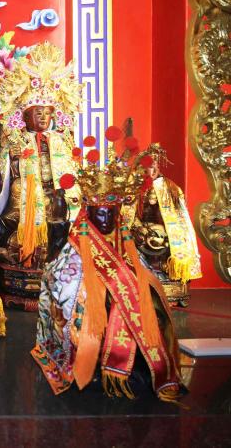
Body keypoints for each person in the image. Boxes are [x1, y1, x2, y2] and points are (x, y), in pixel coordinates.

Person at [31, 134, 183, 403]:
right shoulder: (77, 241)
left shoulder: (123, 237)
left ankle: (142, 362)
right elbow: (62, 276)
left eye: (110, 213)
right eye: (99, 213)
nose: (105, 219)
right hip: (91, 298)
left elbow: (140, 269)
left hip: (123, 300)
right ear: (88, 213)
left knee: (146, 299)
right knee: (87, 303)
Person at [0, 42, 83, 267]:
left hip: (54, 191)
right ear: (25, 117)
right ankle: (24, 246)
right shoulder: (19, 139)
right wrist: (13, 159)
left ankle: (59, 249)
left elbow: (70, 169)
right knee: (18, 190)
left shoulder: (60, 140)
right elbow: (5, 172)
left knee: (61, 207)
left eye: (46, 113)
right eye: (37, 113)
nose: (42, 117)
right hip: (28, 195)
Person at [124, 144, 202, 306]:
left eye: (154, 166)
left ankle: (169, 284)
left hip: (164, 232)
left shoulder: (170, 188)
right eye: (147, 167)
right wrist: (139, 226)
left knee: (161, 243)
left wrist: (162, 228)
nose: (151, 171)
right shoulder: (134, 187)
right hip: (141, 230)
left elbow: (178, 216)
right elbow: (128, 214)